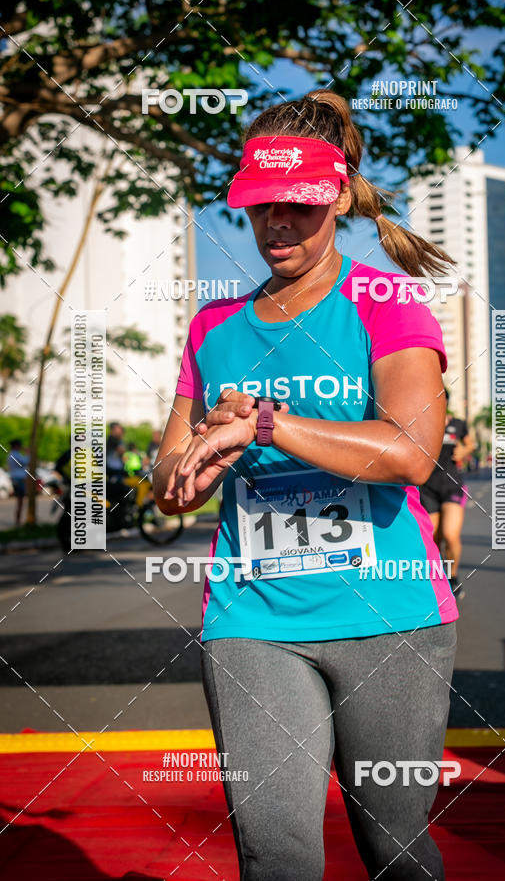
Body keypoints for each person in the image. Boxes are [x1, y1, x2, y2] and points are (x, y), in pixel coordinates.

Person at [153, 90, 460, 880]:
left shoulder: (387, 302)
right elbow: (167, 480)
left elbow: (411, 454)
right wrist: (196, 467)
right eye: (260, 209)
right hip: (251, 617)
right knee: (276, 851)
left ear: (339, 197)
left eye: (296, 206)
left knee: (392, 845)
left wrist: (265, 425)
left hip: (389, 615)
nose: (276, 226)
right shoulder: (211, 328)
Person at [418, 391, 475, 600]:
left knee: (450, 535)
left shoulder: (458, 424)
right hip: (427, 487)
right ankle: (438, 579)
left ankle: (453, 578)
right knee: (434, 539)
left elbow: (470, 443)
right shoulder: (422, 423)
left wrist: (465, 450)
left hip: (452, 486)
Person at [7, 438, 29, 526]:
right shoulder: (15, 455)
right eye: (19, 445)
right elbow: (26, 461)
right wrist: (28, 453)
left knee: (20, 501)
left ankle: (18, 521)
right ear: (16, 446)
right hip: (19, 479)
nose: (21, 447)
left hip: (16, 479)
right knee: (20, 501)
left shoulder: (11, 454)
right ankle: (17, 522)